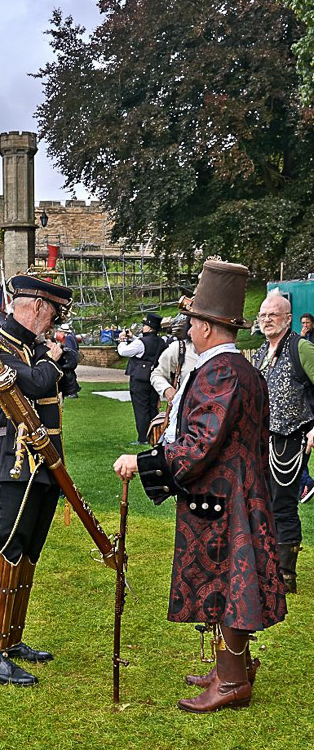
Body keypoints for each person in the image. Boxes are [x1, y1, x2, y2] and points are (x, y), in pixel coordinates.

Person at [114, 260, 287, 713]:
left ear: (208, 327)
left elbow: (197, 447)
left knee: (231, 583)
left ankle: (231, 683)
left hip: (225, 497)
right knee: (228, 580)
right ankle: (233, 667)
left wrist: (144, 460)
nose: (189, 328)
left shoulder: (221, 372)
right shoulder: (238, 368)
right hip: (233, 492)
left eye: (193, 321)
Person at [0, 275, 76, 687]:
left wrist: (60, 363)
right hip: (10, 464)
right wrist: (52, 363)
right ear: (34, 306)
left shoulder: (32, 348)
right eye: (51, 314)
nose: (51, 324)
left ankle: (11, 638)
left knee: (27, 555)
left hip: (43, 464)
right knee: (5, 553)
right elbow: (30, 382)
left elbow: (66, 386)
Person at [252, 291, 314, 594]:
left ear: (287, 318)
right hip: (264, 440)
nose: (266, 320)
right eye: (263, 315)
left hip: (293, 437)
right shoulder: (262, 352)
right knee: (263, 501)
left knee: (284, 504)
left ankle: (286, 575)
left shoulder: (302, 348)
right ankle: (268, 565)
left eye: (272, 315)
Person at [118, 312, 166, 445]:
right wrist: (133, 338)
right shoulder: (161, 342)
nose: (143, 327)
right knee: (152, 407)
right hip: (154, 378)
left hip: (139, 379)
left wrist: (122, 340)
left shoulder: (141, 342)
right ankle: (154, 435)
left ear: (149, 328)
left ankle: (143, 438)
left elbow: (123, 351)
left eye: (145, 325)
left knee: (141, 408)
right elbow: (144, 346)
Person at [150, 316, 199, 445]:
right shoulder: (180, 349)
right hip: (182, 419)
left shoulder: (224, 354)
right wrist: (167, 389)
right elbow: (157, 374)